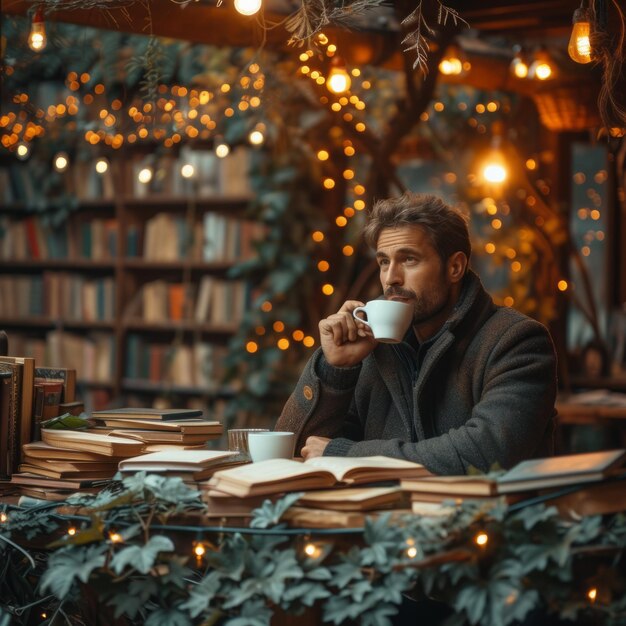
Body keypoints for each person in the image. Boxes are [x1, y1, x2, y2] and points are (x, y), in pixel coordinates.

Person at [275, 192, 557, 474]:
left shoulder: (516, 341)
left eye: (408, 259)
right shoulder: (372, 349)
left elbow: (486, 454)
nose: (390, 278)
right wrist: (335, 370)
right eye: (384, 261)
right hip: (379, 517)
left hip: (481, 517)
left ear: (455, 267)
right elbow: (297, 452)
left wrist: (346, 455)